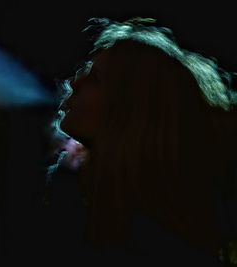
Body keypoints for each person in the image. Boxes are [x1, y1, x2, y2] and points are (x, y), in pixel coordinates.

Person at [48, 17, 237, 266]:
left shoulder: (152, 241)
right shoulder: (79, 197)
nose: (72, 83)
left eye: (94, 80)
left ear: (134, 111)